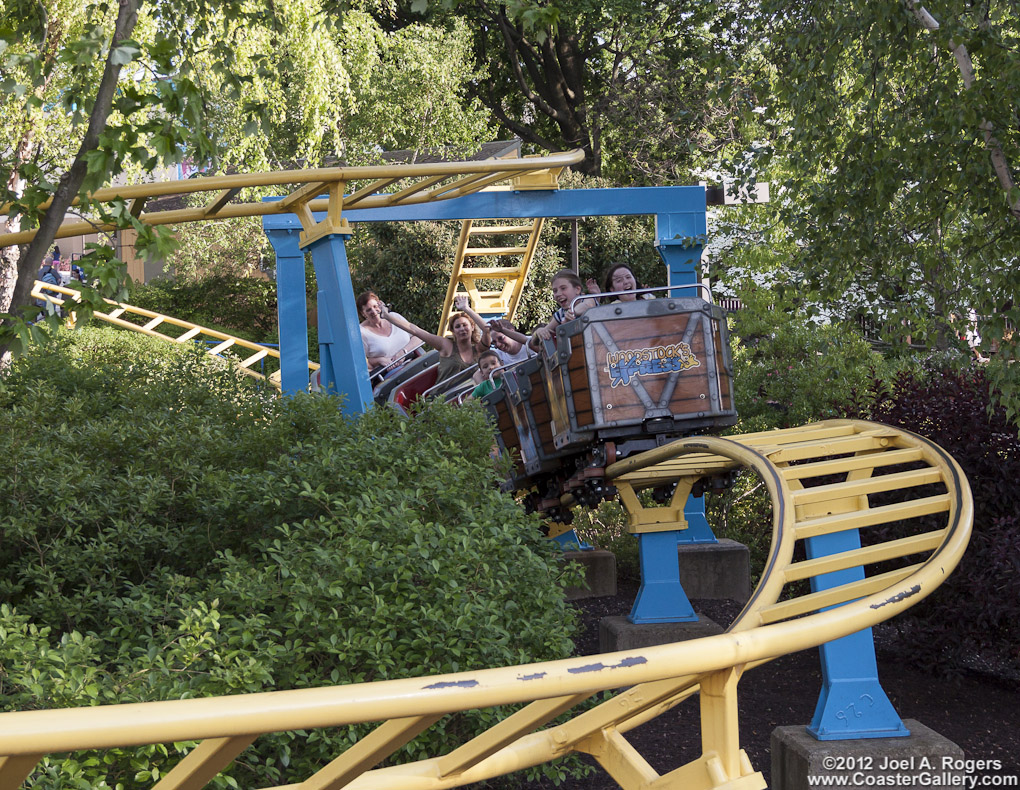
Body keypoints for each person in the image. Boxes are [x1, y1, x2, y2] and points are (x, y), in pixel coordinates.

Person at [380, 294, 490, 383]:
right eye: (457, 326)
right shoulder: (447, 345)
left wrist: (467, 309)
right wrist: (387, 316)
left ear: (472, 327)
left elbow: (487, 330)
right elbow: (416, 330)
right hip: (445, 396)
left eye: (465, 325)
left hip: (468, 396)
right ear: (453, 331)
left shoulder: (479, 349)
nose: (462, 329)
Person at [357, 291, 422, 375]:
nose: (373, 311)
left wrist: (403, 352)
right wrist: (379, 360)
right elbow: (363, 363)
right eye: (369, 310)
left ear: (380, 304)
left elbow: (418, 336)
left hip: (414, 362)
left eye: (375, 306)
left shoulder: (394, 317)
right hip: (391, 374)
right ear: (363, 314)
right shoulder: (361, 333)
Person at [530, 269, 597, 349]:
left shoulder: (587, 299)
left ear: (577, 289)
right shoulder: (560, 314)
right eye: (555, 291)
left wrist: (573, 312)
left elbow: (588, 305)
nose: (558, 294)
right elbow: (534, 341)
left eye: (563, 288)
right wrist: (539, 332)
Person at [586, 263, 654, 303]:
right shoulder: (612, 310)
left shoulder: (649, 299)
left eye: (628, 277)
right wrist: (596, 297)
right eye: (619, 280)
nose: (626, 282)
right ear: (612, 289)